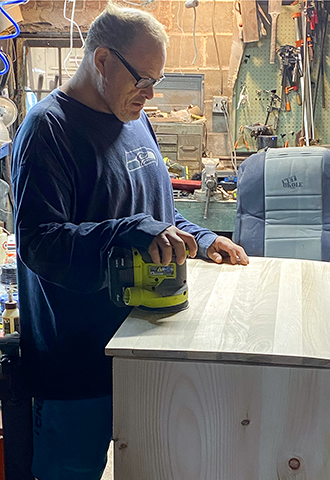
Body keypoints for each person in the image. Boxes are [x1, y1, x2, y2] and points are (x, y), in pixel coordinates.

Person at [11, 2, 249, 479]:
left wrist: (200, 238)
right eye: (142, 79)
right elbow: (41, 243)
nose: (150, 94)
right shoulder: (48, 129)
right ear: (102, 61)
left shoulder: (135, 120)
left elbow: (155, 210)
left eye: (156, 82)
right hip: (78, 366)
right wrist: (129, 230)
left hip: (141, 351)